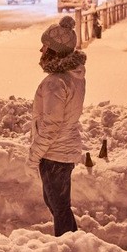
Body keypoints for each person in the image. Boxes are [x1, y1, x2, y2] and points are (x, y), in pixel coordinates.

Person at [29, 16, 86, 236]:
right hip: (63, 151)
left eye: (45, 46)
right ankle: (74, 241)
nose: (41, 51)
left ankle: (68, 246)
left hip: (55, 154)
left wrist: (35, 155)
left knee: (59, 207)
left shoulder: (55, 83)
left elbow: (51, 125)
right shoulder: (73, 76)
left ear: (54, 50)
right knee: (58, 205)